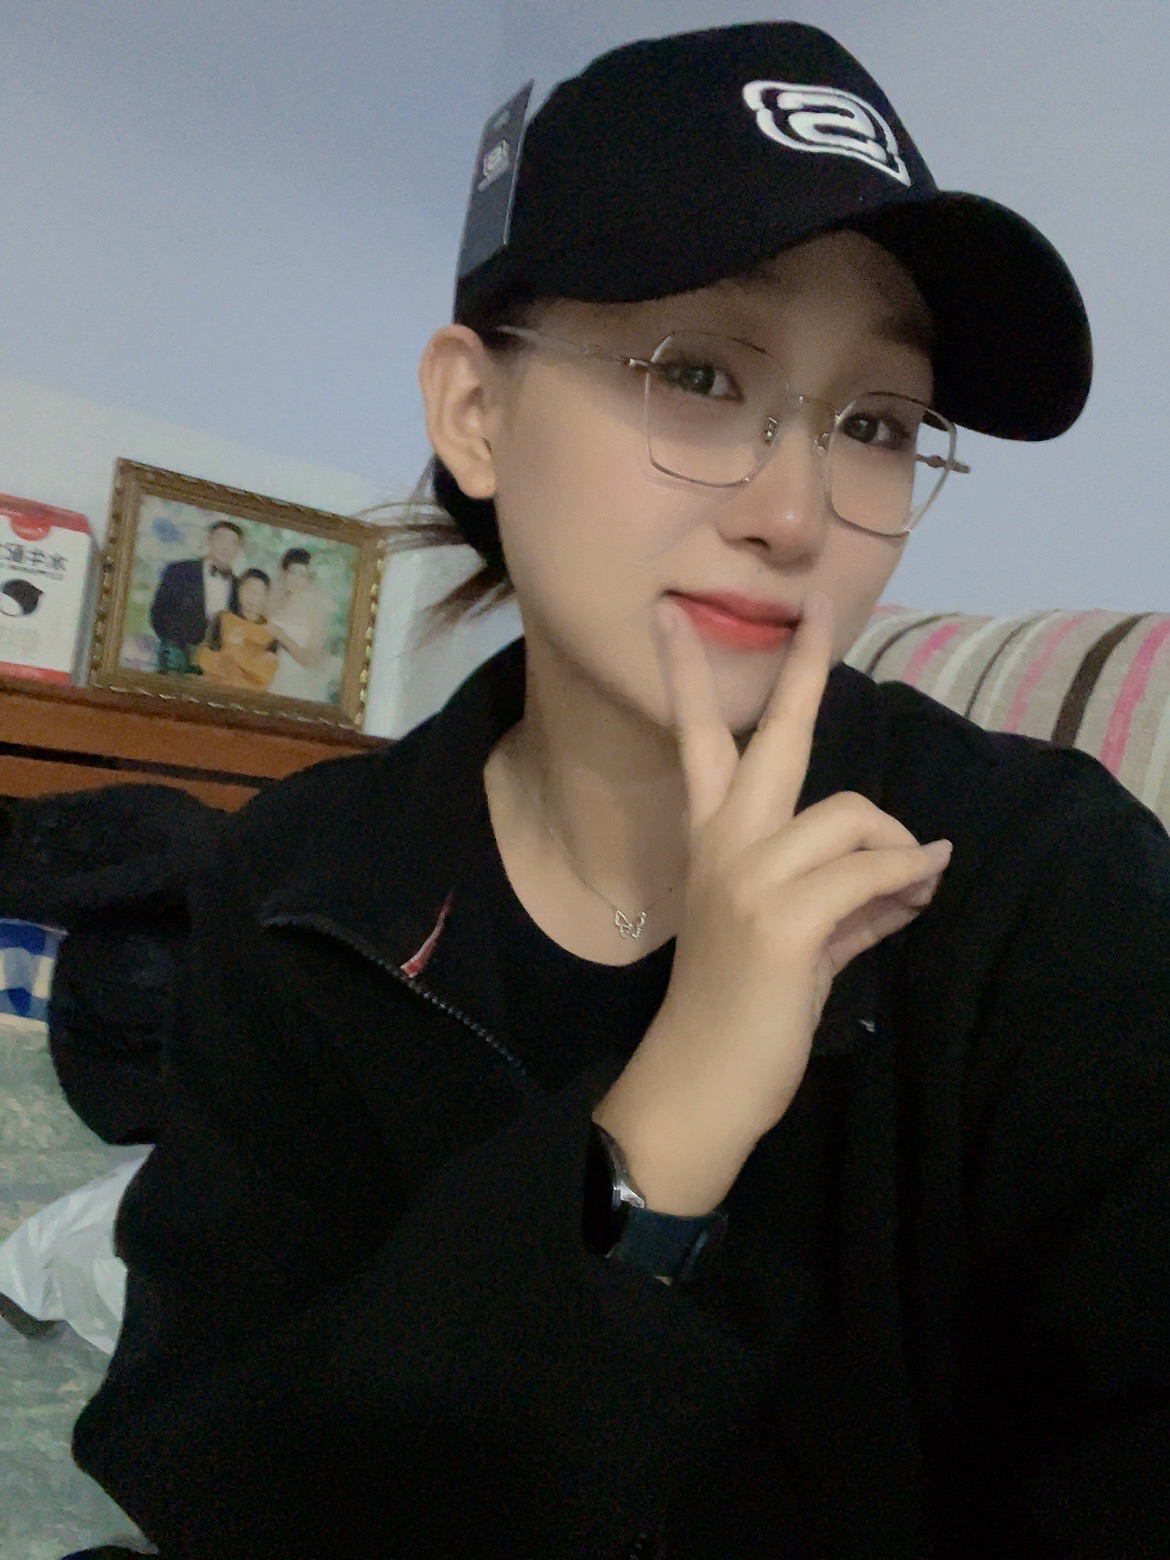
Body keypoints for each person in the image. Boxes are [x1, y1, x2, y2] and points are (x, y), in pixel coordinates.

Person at [71, 22, 1168, 1558]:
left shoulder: (1043, 887)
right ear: (475, 413)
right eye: (700, 375)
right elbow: (235, 1481)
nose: (795, 514)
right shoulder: (301, 893)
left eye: (874, 425)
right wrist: (666, 1122)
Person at [148, 519, 242, 674]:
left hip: (217, 668)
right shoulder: (179, 571)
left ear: (238, 549)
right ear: (209, 540)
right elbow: (158, 613)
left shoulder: (240, 588)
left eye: (232, 543)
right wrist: (175, 645)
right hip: (175, 659)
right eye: (220, 539)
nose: (225, 547)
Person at [267, 546, 338, 702]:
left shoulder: (317, 609)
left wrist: (281, 636)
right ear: (284, 572)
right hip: (267, 677)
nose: (296, 579)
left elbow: (312, 660)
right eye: (293, 572)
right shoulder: (272, 601)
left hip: (299, 682)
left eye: (303, 575)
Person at [194, 567, 280, 691]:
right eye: (249, 590)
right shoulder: (222, 619)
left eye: (258, 592)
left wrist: (235, 656)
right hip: (217, 688)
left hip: (250, 694)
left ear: (266, 597)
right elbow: (206, 657)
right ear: (239, 590)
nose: (252, 597)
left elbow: (264, 672)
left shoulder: (270, 632)